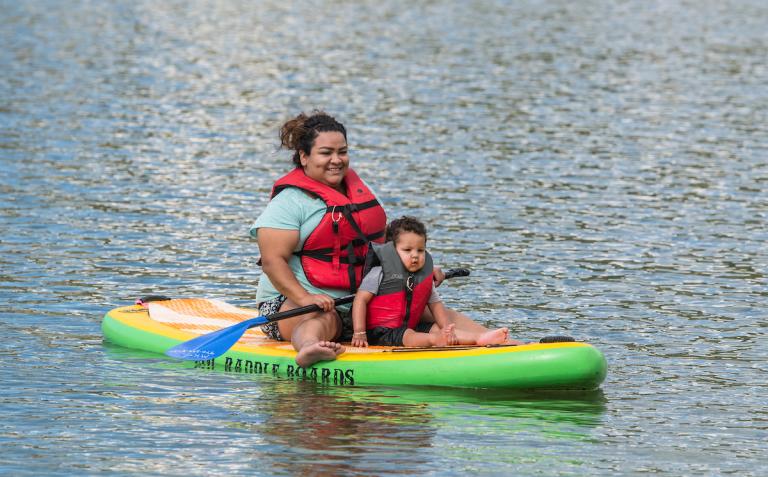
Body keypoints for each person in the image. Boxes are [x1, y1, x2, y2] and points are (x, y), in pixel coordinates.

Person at [251, 110, 519, 368]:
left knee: (429, 309)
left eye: (342, 152)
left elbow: (388, 248)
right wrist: (304, 297)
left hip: (360, 300)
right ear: (304, 156)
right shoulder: (289, 203)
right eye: (326, 152)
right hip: (292, 304)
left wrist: (421, 268)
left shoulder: (360, 193)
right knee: (324, 317)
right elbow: (273, 262)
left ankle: (506, 346)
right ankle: (310, 348)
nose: (336, 160)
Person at [351, 216, 509, 348]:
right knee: (409, 334)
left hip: (408, 327)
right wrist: (359, 332)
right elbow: (360, 300)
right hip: (380, 332)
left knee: (434, 328)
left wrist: (447, 329)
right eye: (407, 250)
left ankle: (479, 338)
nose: (415, 255)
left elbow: (436, 305)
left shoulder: (422, 277)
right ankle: (436, 340)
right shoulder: (379, 272)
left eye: (420, 250)